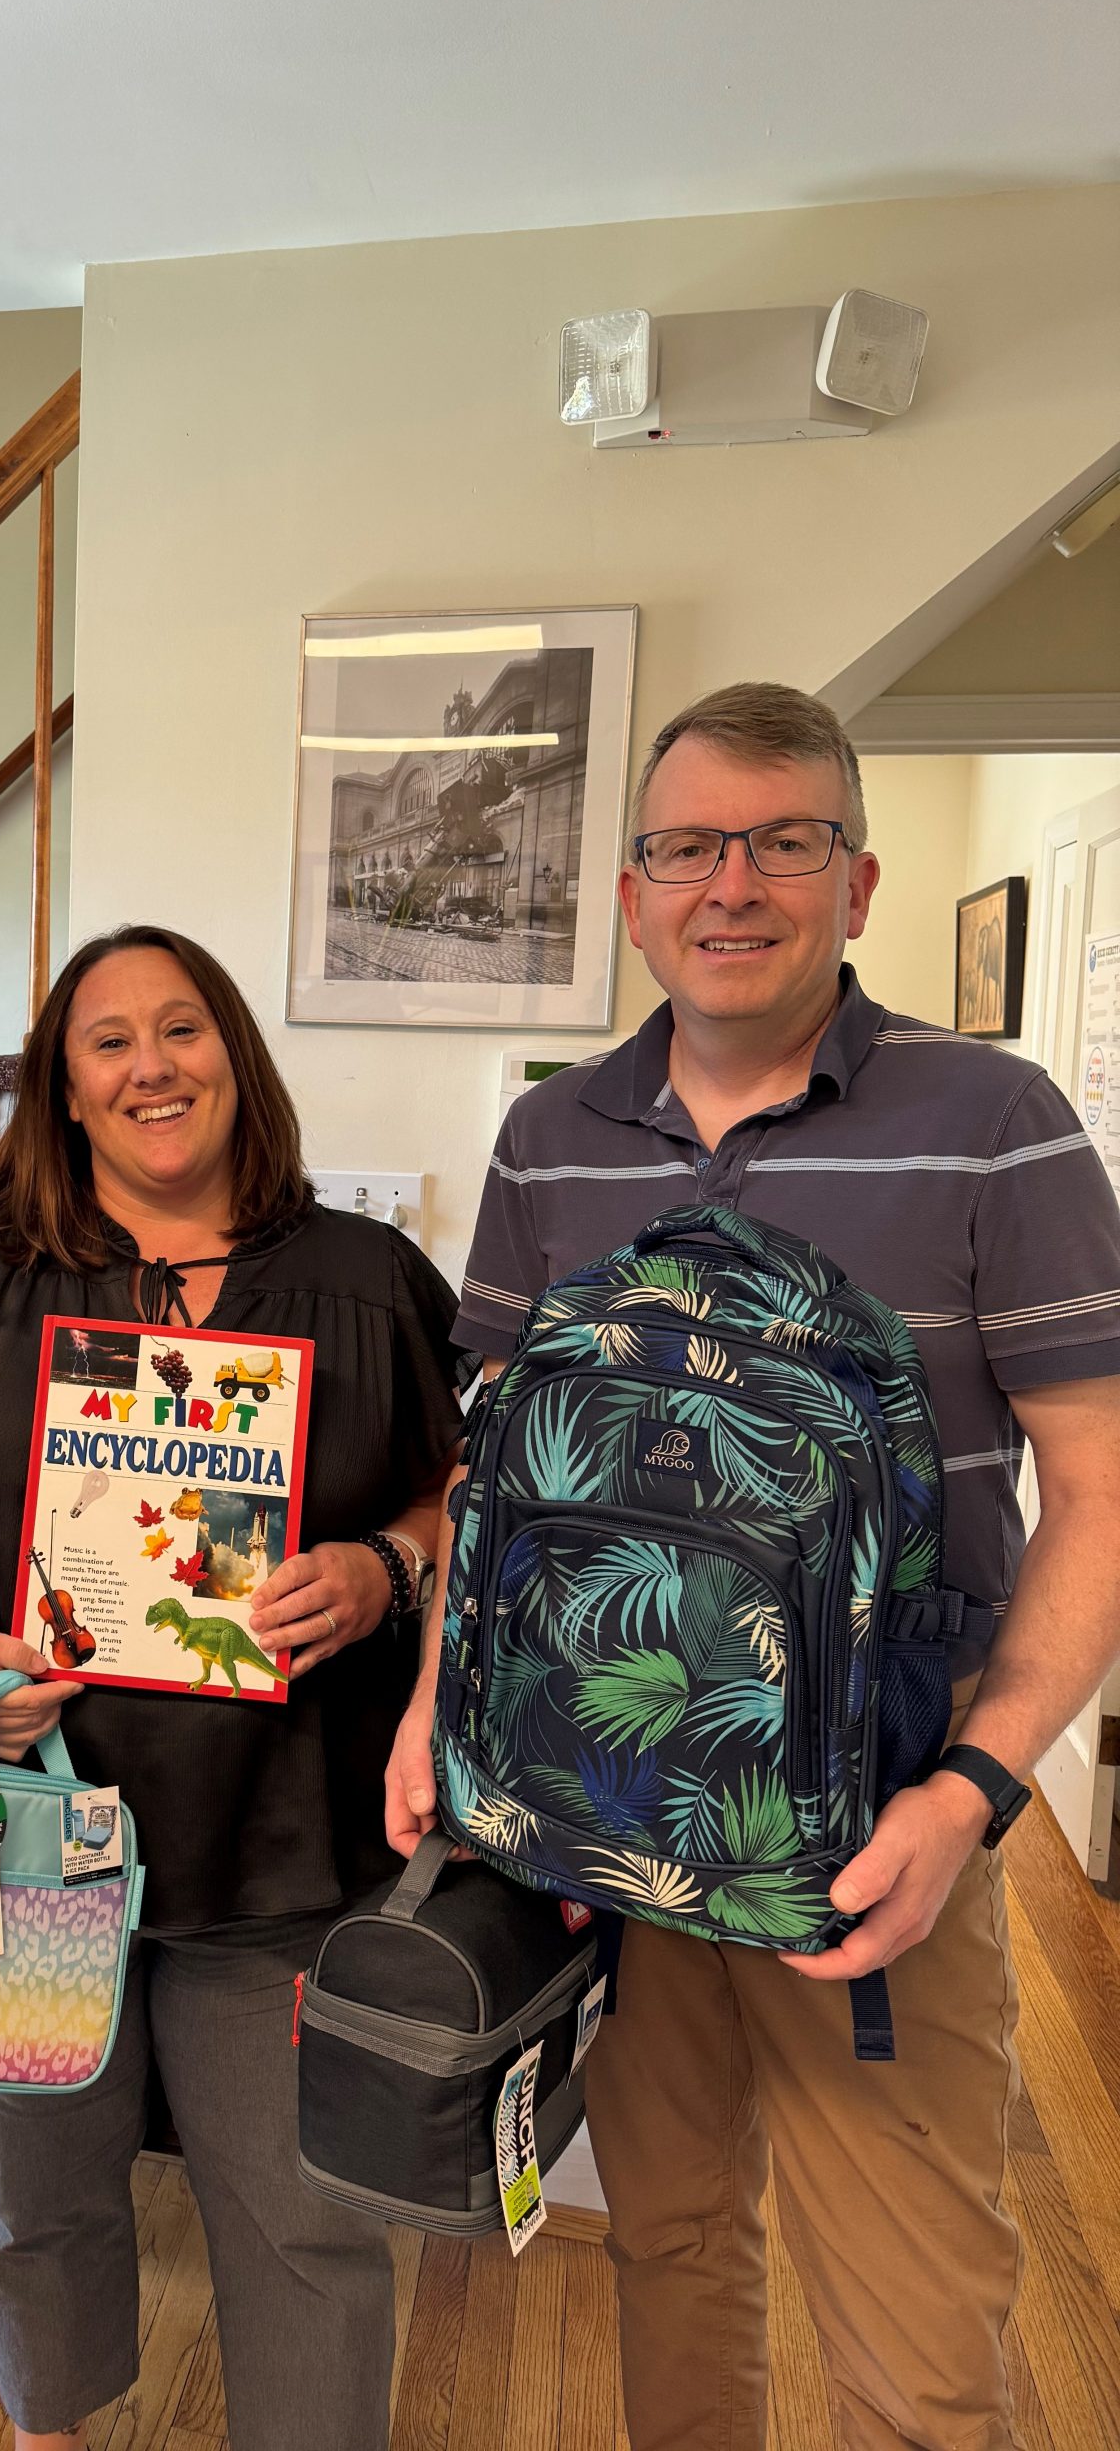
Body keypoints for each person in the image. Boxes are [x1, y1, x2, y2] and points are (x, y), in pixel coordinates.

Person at [387, 683, 1120, 2451]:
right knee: (670, 2247)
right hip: (606, 1793)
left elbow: (1102, 1489)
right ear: (635, 891)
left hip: (884, 1821)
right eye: (692, 846)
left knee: (917, 2324)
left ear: (855, 886)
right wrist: (440, 1722)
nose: (737, 884)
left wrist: (974, 1794)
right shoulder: (551, 1135)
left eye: (786, 842)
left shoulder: (996, 1116)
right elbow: (487, 1473)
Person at [0, 923, 465, 2451]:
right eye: (107, 1041)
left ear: (234, 1058)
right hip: (22, 1822)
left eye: (180, 1030)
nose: (149, 1067)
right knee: (38, 2199)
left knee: (302, 2222)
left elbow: (473, 1500)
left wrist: (386, 1563)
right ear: (62, 1085)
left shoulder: (367, 1280)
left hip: (281, 1842)